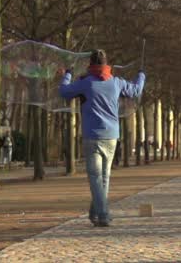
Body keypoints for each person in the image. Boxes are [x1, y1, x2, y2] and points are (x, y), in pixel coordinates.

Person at [59, 49, 145, 227]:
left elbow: (64, 92)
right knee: (104, 177)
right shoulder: (116, 82)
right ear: (106, 64)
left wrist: (67, 74)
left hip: (92, 136)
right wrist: (141, 75)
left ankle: (103, 214)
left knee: (95, 178)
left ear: (90, 64)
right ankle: (95, 213)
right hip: (112, 135)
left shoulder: (86, 83)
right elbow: (136, 91)